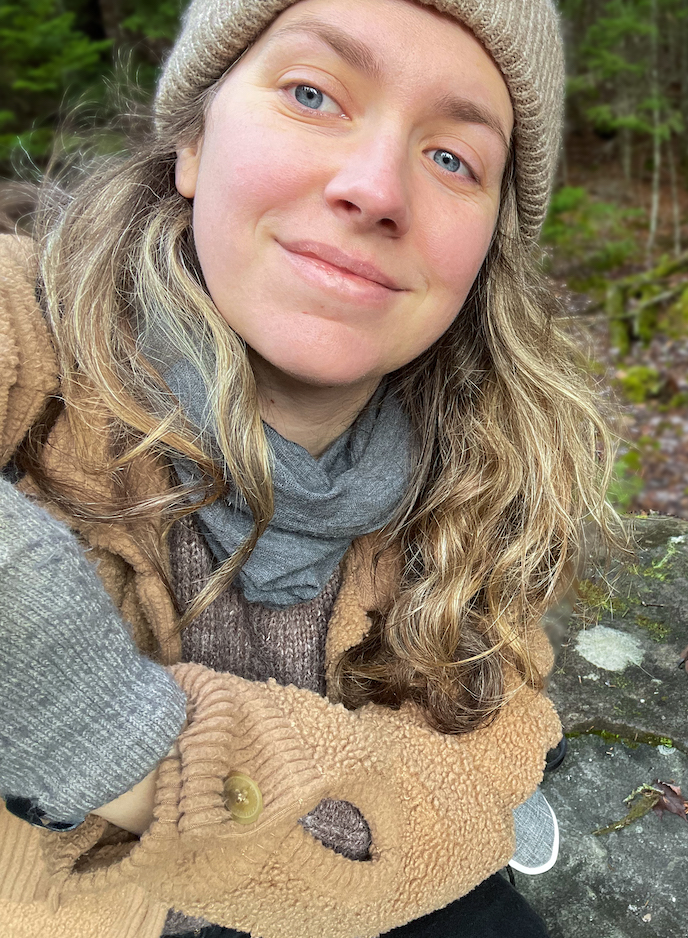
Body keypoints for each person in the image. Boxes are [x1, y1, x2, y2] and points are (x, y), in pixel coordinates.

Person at [0, 0, 620, 935]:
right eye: (312, 93)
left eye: (453, 157)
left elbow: (467, 791)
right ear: (194, 141)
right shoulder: (27, 326)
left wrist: (116, 743)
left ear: (490, 240)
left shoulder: (493, 483)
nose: (377, 189)